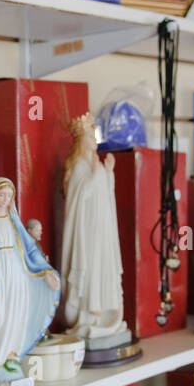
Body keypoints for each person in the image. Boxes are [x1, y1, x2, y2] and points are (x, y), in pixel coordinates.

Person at [0, 178, 60, 385]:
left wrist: (45, 272)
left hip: (17, 276)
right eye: (1, 195)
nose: (5, 199)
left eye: (8, 196)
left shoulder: (15, 223)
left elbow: (31, 250)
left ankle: (11, 357)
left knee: (15, 315)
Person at [60, 115, 129, 347]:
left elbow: (104, 192)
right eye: (91, 136)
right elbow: (79, 198)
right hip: (86, 229)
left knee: (102, 265)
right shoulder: (79, 166)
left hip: (102, 226)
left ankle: (102, 308)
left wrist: (107, 172)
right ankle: (90, 308)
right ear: (82, 140)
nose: (95, 141)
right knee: (90, 266)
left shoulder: (96, 165)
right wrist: (96, 173)